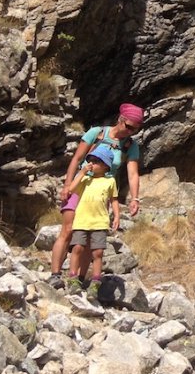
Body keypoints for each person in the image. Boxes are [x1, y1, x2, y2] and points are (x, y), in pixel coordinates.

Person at [49, 103, 144, 287]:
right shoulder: (97, 133)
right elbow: (77, 158)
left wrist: (135, 198)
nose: (130, 132)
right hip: (80, 186)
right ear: (120, 119)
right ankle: (55, 274)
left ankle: (79, 279)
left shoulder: (131, 146)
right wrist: (67, 185)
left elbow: (132, 173)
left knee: (90, 235)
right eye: (129, 126)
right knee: (68, 230)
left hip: (101, 193)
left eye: (135, 129)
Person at [63, 145, 119, 299]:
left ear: (106, 166)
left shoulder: (110, 181)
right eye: (90, 160)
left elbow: (113, 200)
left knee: (98, 252)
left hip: (100, 221)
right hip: (82, 220)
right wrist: (81, 172)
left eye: (96, 161)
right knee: (78, 248)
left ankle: (95, 282)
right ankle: (73, 278)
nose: (92, 164)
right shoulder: (85, 179)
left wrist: (117, 215)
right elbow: (71, 189)